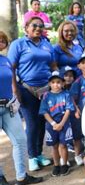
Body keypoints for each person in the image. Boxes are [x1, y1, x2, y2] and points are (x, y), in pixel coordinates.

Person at [8, 16, 57, 171]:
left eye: (41, 26)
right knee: (32, 123)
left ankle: (39, 154)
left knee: (42, 122)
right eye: (34, 25)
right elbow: (11, 68)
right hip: (26, 89)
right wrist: (15, 90)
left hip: (45, 90)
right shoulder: (19, 44)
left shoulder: (47, 44)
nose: (38, 28)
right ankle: (31, 157)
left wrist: (56, 77)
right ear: (26, 28)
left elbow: (53, 64)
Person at [0, 31, 43, 185]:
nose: (0, 43)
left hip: (9, 106)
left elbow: (11, 81)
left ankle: (22, 176)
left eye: (2, 40)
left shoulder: (5, 61)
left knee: (20, 140)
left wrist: (15, 98)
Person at [39, 71, 75, 177]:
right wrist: (54, 123)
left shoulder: (66, 94)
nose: (56, 84)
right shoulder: (46, 96)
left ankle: (64, 164)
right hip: (51, 125)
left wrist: (61, 124)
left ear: (63, 83)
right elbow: (44, 112)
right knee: (54, 146)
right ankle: (56, 165)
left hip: (64, 123)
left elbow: (68, 110)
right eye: (53, 82)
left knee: (63, 145)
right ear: (50, 84)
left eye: (58, 82)